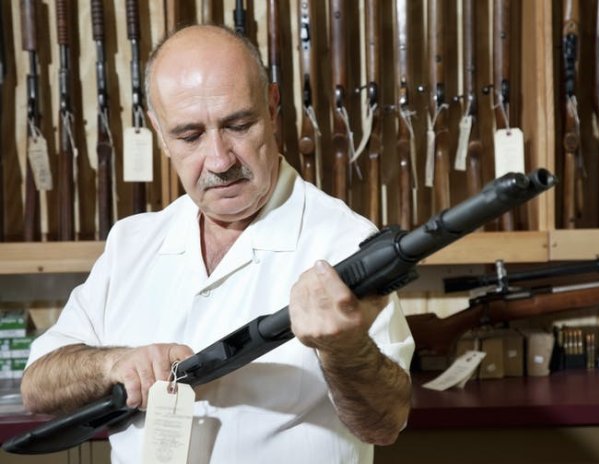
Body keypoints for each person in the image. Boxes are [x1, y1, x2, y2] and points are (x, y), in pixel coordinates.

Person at [21, 25, 414, 464]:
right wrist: (114, 364)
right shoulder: (133, 241)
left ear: (272, 105)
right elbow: (38, 385)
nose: (220, 160)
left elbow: (385, 423)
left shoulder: (347, 243)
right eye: (190, 136)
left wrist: (346, 348)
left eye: (238, 125)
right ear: (158, 131)